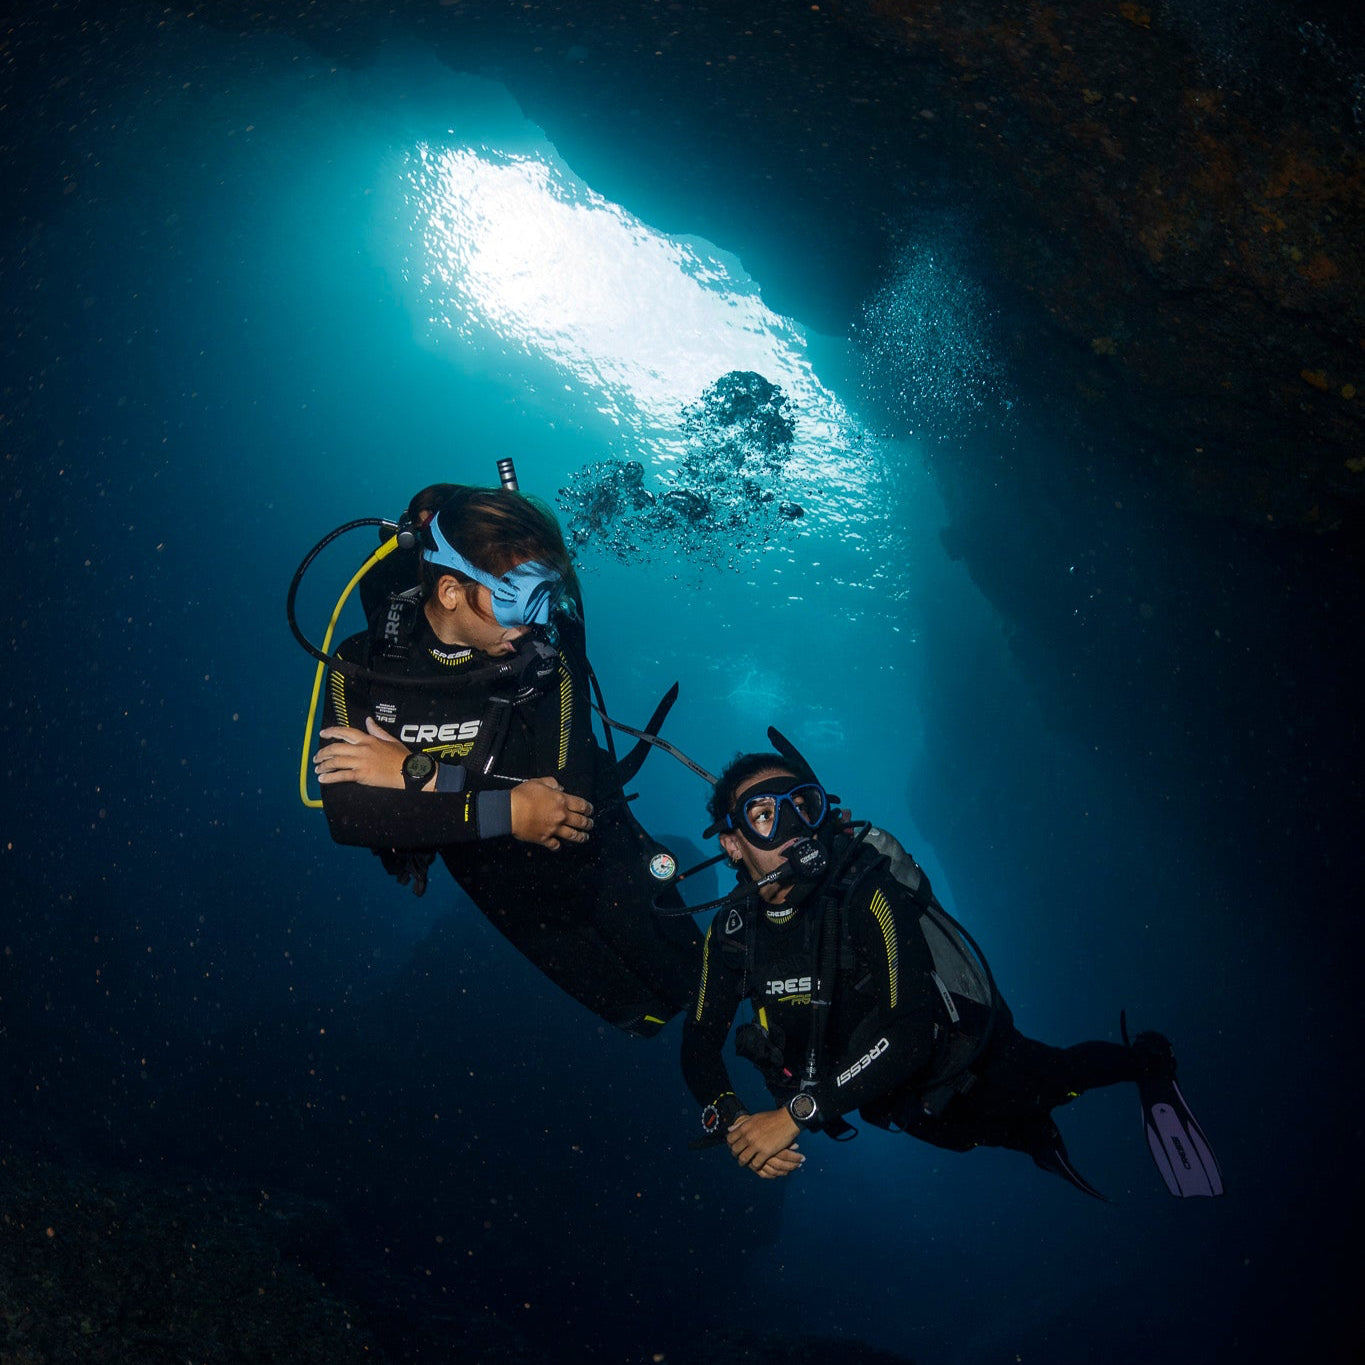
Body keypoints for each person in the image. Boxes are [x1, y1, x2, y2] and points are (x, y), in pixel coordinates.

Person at [680, 730, 1223, 1197]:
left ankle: (1147, 1060)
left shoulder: (863, 889)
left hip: (968, 1059)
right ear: (732, 843)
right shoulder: (733, 931)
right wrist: (736, 1122)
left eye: (803, 807)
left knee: (1057, 1080)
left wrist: (793, 1115)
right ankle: (1032, 1136)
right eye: (763, 816)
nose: (791, 828)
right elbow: (700, 1041)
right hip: (897, 1102)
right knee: (972, 1138)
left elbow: (912, 1032)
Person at [312, 482, 702, 1037]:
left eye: (550, 594)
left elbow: (564, 807)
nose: (541, 619)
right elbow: (348, 815)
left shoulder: (543, 658)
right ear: (450, 590)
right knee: (639, 1017)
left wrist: (411, 773)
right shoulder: (362, 664)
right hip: (505, 890)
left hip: (602, 856)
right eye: (522, 598)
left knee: (704, 983)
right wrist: (510, 810)